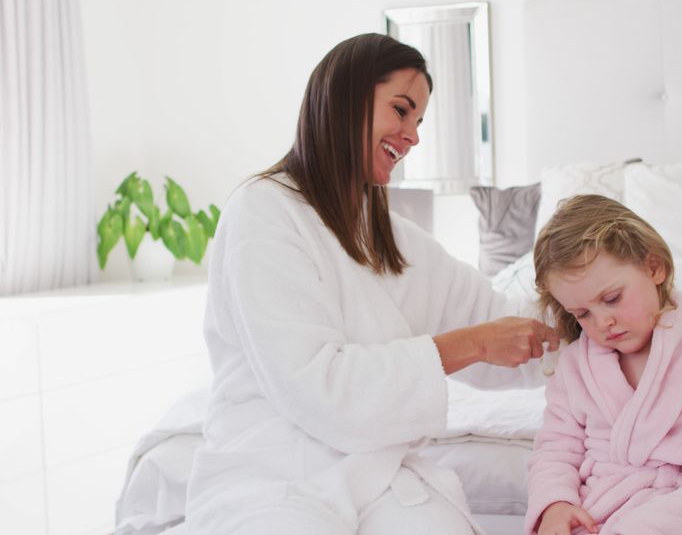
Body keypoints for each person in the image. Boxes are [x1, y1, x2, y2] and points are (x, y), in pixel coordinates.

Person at [182, 33, 558, 535]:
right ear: (345, 98)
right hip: (272, 472)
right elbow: (317, 387)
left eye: (419, 120)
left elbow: (497, 318)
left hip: (375, 475)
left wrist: (604, 315)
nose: (413, 136)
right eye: (401, 110)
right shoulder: (264, 212)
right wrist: (473, 344)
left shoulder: (393, 238)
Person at [525, 194, 682, 535]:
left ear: (654, 268)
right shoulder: (576, 367)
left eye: (612, 299)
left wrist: (650, 525)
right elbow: (556, 449)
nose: (603, 322)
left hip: (675, 519)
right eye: (582, 313)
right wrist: (555, 504)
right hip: (592, 512)